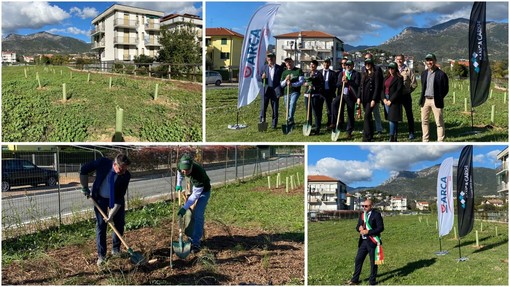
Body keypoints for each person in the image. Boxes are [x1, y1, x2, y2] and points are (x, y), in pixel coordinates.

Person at [80, 153, 132, 266]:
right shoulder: (102, 163)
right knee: (101, 226)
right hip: (100, 199)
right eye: (121, 169)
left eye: (125, 169)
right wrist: (84, 187)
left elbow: (119, 198)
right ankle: (102, 256)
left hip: (116, 200)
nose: (123, 172)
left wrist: (111, 216)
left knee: (119, 223)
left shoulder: (126, 176)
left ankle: (116, 250)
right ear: (115, 164)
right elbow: (83, 170)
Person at [176, 154, 211, 253]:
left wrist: (184, 208)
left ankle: (196, 243)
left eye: (187, 170)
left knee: (198, 215)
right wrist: (178, 184)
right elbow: (179, 173)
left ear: (192, 166)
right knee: (190, 214)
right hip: (195, 189)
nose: (185, 172)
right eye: (183, 170)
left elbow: (195, 196)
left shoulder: (198, 174)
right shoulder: (181, 166)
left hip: (203, 191)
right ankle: (190, 237)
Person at [348, 199, 384, 286]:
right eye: (363, 206)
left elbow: (380, 228)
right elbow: (357, 227)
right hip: (363, 242)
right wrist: (359, 229)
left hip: (372, 241)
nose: (364, 207)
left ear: (371, 206)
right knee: (358, 260)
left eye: (366, 206)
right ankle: (355, 280)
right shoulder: (362, 215)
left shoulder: (376, 215)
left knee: (373, 262)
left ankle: (372, 281)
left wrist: (368, 232)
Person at [419, 53, 449, 142]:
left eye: (431, 60)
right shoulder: (424, 73)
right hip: (425, 100)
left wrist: (439, 97)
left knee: (439, 123)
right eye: (428, 60)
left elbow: (445, 88)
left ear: (435, 61)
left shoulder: (441, 74)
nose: (429, 62)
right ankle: (425, 140)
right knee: (424, 122)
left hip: (436, 101)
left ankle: (440, 141)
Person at [332, 60, 360, 138]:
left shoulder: (356, 74)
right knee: (334, 104)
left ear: (353, 65)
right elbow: (337, 85)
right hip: (342, 94)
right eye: (346, 65)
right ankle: (335, 123)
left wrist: (348, 81)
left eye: (349, 65)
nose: (347, 66)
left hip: (351, 95)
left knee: (350, 112)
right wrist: (341, 82)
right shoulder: (342, 73)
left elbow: (357, 84)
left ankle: (349, 131)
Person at [358, 57, 383, 142]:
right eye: (366, 64)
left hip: (371, 100)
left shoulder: (375, 74)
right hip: (364, 99)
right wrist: (358, 97)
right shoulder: (364, 74)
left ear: (372, 65)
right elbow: (360, 87)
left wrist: (374, 99)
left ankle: (366, 136)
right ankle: (371, 136)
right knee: (369, 118)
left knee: (366, 116)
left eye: (369, 64)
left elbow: (377, 88)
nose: (367, 65)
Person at [395, 54, 417, 140]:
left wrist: (409, 91)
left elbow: (414, 83)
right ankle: (395, 133)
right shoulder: (393, 69)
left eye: (401, 59)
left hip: (406, 96)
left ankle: (411, 132)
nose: (399, 61)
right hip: (396, 97)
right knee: (396, 115)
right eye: (398, 59)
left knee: (409, 114)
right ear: (395, 60)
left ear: (404, 60)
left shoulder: (408, 70)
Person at [259, 53, 284, 129]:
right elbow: (258, 77)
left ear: (274, 59)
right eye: (269, 58)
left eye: (272, 58)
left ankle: (274, 124)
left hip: (275, 90)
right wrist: (262, 77)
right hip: (266, 90)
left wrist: (280, 89)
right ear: (267, 59)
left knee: (275, 108)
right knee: (263, 108)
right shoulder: (263, 68)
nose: (270, 60)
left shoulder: (279, 68)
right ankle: (262, 122)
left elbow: (282, 79)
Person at [280, 57, 304, 128]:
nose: (288, 64)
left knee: (292, 104)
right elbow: (281, 84)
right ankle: (291, 121)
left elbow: (301, 81)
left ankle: (289, 119)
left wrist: (292, 84)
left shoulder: (298, 70)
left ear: (292, 62)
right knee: (287, 107)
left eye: (290, 62)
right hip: (286, 92)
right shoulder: (284, 72)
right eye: (287, 62)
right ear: (285, 64)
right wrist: (285, 80)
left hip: (295, 91)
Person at [382, 62, 403, 142]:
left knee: (392, 119)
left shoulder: (399, 78)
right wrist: (383, 99)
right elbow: (382, 90)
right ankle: (395, 136)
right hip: (386, 98)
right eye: (389, 68)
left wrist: (391, 100)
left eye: (392, 68)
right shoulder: (386, 77)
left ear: (395, 69)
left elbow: (398, 90)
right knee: (393, 119)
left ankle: (391, 137)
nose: (390, 70)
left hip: (394, 100)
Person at [303, 60, 325, 135]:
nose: (312, 66)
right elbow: (304, 82)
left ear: (316, 66)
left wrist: (314, 87)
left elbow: (321, 85)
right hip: (307, 95)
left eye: (313, 65)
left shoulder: (319, 74)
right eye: (311, 64)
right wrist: (305, 84)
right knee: (308, 112)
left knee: (316, 112)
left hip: (314, 95)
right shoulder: (307, 73)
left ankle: (317, 128)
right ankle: (309, 126)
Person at [321, 58, 337, 128]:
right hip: (320, 93)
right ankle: (319, 123)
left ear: (329, 64)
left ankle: (330, 123)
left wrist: (332, 92)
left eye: (327, 63)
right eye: (324, 63)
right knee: (319, 109)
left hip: (328, 93)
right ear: (322, 64)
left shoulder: (333, 73)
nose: (326, 64)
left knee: (329, 109)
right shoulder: (319, 72)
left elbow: (335, 83)